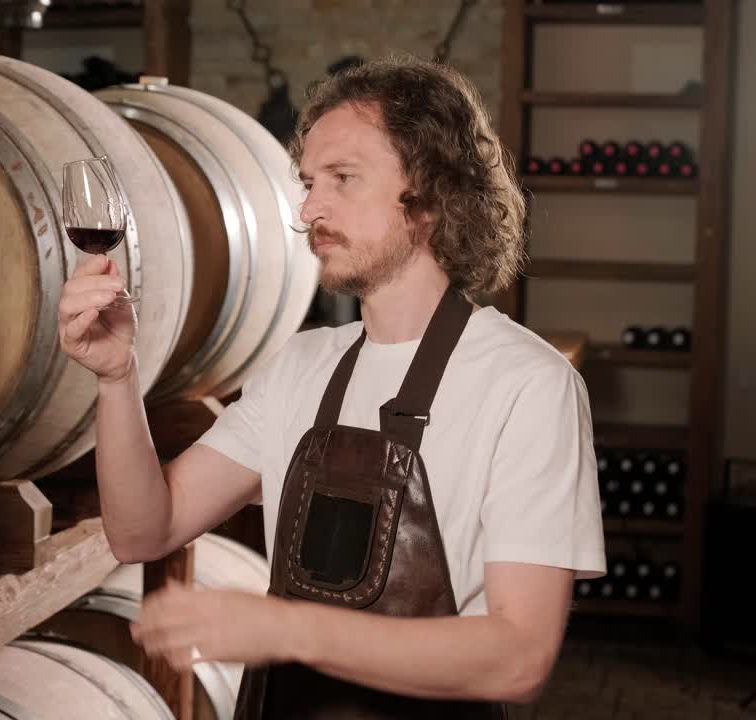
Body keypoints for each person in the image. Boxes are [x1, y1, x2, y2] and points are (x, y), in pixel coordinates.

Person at [57, 54, 606, 718]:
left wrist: (287, 630)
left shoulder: (528, 385)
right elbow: (144, 531)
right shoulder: (303, 365)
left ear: (431, 198)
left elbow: (518, 657)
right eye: (309, 181)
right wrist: (118, 379)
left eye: (343, 179)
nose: (310, 206)